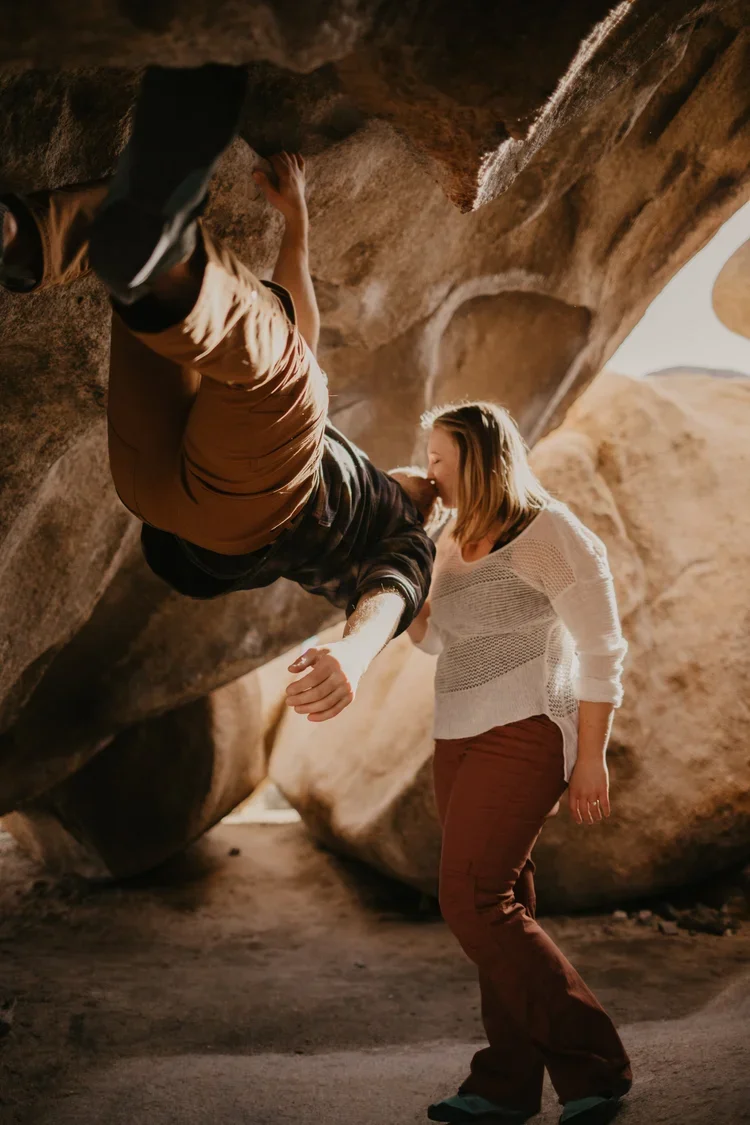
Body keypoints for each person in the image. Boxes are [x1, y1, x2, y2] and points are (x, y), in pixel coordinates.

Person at [0, 64, 436, 724]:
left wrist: (353, 652)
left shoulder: (407, 538)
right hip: (153, 488)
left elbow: (392, 596)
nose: (431, 470)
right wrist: (298, 225)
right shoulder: (360, 473)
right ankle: (24, 237)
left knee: (291, 372)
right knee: (151, 283)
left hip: (245, 516)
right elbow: (296, 335)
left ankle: (155, 244)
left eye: (443, 478)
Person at [407, 402, 632, 1125]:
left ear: (477, 457)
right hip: (458, 736)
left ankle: (596, 1060)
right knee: (504, 900)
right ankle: (507, 1083)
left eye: (440, 457)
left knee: (473, 899)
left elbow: (603, 649)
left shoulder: (550, 532)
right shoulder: (450, 539)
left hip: (528, 729)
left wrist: (590, 755)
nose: (430, 470)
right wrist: (407, 605)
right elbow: (443, 643)